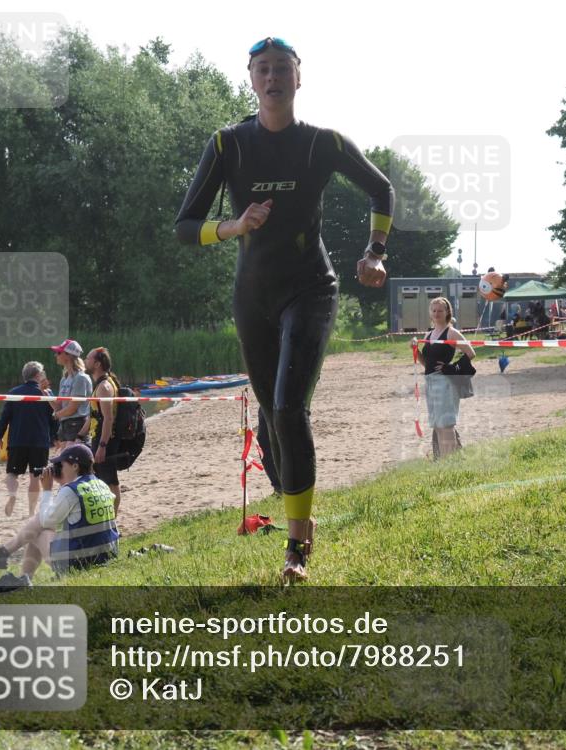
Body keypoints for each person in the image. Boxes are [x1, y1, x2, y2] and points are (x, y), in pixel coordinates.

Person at [175, 37, 393, 582]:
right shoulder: (229, 144)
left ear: (299, 79)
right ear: (251, 80)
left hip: (311, 288)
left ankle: (297, 547)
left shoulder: (322, 143)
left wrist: (374, 252)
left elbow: (382, 190)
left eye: (282, 69)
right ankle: (289, 487)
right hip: (253, 298)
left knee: (290, 408)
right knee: (274, 417)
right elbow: (184, 228)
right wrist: (234, 225)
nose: (273, 78)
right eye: (263, 70)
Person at [0, 444, 119, 583]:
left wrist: (47, 490)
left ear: (74, 466)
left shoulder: (70, 491)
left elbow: (46, 520)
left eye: (62, 465)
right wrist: (64, 483)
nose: (59, 468)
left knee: (36, 533)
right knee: (37, 529)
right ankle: (13, 566)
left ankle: (13, 566)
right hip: (106, 554)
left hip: (79, 562)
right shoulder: (101, 485)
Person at [413, 297, 476, 460]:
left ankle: (451, 462)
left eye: (440, 310)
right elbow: (427, 364)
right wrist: (415, 351)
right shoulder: (428, 334)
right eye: (433, 310)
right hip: (431, 382)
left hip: (445, 382)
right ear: (430, 313)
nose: (436, 313)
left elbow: (471, 353)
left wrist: (452, 367)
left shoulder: (452, 332)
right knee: (438, 424)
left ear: (448, 312)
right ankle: (444, 460)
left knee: (446, 424)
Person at [0, 361, 53, 518]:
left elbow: (4, 417)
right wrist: (56, 438)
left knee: (12, 474)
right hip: (39, 441)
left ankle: (12, 495)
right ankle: (31, 512)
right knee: (35, 476)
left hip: (17, 440)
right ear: (38, 375)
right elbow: (53, 418)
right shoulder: (46, 394)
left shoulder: (14, 392)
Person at [85, 347, 123, 512]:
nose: (85, 361)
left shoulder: (104, 387)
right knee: (104, 480)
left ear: (97, 364)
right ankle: (108, 519)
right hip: (98, 437)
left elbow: (108, 418)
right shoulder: (101, 385)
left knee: (109, 482)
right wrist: (80, 435)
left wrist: (102, 446)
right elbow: (95, 416)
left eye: (88, 358)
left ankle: (112, 521)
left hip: (105, 439)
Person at [50, 339, 91, 451]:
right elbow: (59, 406)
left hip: (77, 424)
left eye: (59, 353)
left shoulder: (81, 378)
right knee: (64, 462)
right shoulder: (64, 378)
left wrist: (56, 415)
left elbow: (73, 408)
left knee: (70, 460)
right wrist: (46, 392)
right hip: (65, 424)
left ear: (68, 355)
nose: (55, 355)